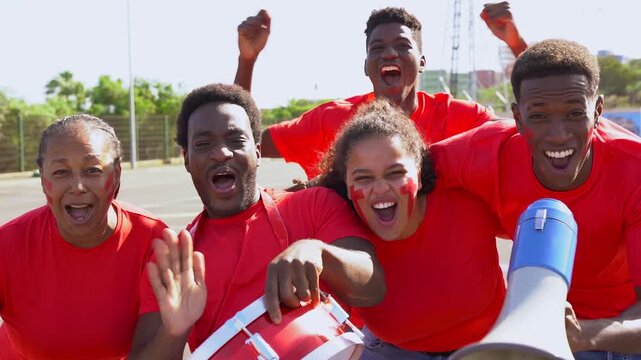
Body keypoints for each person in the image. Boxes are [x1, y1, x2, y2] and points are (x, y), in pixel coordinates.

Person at [129, 83, 385, 359]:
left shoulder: (313, 206)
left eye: (235, 140)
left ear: (258, 151)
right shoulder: (176, 262)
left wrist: (319, 252)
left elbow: (373, 287)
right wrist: (174, 332)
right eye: (203, 144)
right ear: (187, 159)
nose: (221, 153)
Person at [431, 39, 641, 358]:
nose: (558, 134)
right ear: (518, 117)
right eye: (539, 116)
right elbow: (393, 175)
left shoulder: (634, 171)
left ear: (597, 111)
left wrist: (585, 335)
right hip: (521, 328)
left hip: (613, 332)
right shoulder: (483, 153)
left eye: (574, 113)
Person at [233, 7, 531, 179]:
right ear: (366, 66)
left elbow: (536, 127)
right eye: (377, 48)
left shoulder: (464, 119)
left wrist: (516, 44)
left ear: (422, 62)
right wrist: (247, 60)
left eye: (402, 46)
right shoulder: (332, 119)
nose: (389, 53)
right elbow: (245, 139)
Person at [319, 99, 506, 358]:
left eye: (395, 172)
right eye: (363, 177)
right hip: (389, 351)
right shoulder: (336, 222)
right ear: (346, 184)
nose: (381, 189)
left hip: (490, 346)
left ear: (418, 172)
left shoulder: (467, 196)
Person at [0, 115, 167, 359]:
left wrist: (175, 330)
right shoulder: (8, 246)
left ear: (117, 173)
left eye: (92, 170)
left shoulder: (155, 243)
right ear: (43, 178)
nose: (77, 186)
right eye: (60, 172)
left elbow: (151, 351)